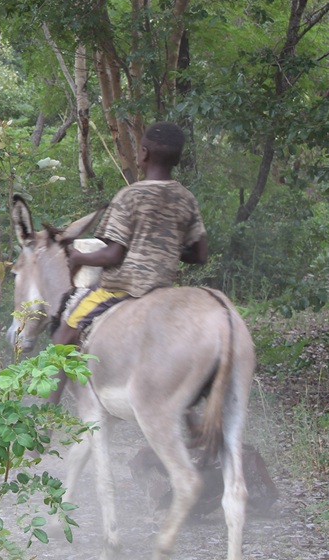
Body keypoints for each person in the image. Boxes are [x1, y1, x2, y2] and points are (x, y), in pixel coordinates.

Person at [47, 121, 208, 405]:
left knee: (63, 333)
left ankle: (44, 417)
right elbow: (199, 255)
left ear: (143, 153)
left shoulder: (130, 196)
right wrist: (166, 247)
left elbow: (112, 256)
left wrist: (79, 257)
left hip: (124, 289)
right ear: (178, 159)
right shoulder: (186, 199)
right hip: (164, 291)